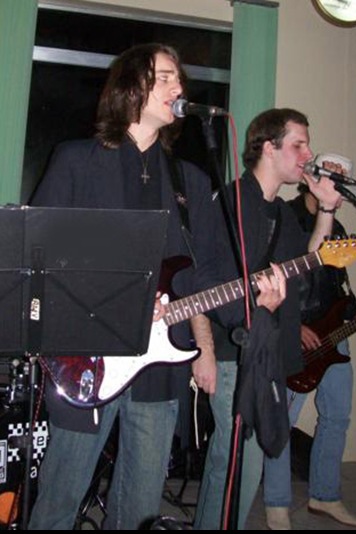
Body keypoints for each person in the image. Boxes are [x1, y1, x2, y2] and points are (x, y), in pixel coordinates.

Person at [27, 42, 223, 530]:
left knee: (140, 509)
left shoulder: (190, 181)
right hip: (87, 359)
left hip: (159, 366)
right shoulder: (76, 160)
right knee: (58, 502)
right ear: (130, 87)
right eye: (164, 77)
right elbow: (39, 255)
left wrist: (204, 346)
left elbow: (197, 276)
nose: (178, 87)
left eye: (179, 78)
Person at [194, 108, 342, 530]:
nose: (308, 154)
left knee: (247, 461)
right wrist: (204, 351)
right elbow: (200, 279)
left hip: (267, 350)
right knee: (232, 461)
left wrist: (326, 208)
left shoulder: (282, 213)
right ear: (268, 148)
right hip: (231, 354)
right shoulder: (229, 202)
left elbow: (307, 263)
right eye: (299, 144)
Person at [263, 168, 356, 531]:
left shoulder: (338, 230)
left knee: (337, 417)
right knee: (281, 423)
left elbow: (338, 286)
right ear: (315, 182)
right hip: (294, 334)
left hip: (334, 334)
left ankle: (325, 495)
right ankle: (276, 503)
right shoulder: (285, 215)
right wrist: (293, 326)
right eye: (335, 184)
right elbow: (267, 277)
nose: (340, 193)